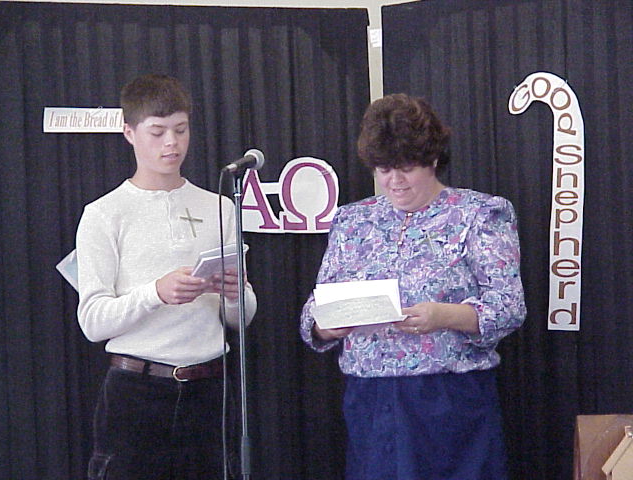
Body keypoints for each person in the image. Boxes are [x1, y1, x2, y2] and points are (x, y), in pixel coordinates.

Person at [300, 93, 526, 480]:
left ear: (433, 159)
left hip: (449, 396)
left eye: (406, 167)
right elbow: (315, 311)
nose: (395, 181)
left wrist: (444, 316)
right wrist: (326, 325)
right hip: (370, 401)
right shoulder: (352, 221)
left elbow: (508, 307)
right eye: (384, 169)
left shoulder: (479, 214)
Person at [76, 73, 257, 480]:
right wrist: (156, 292)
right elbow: (92, 321)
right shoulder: (104, 214)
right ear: (129, 133)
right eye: (157, 132)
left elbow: (240, 319)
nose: (171, 143)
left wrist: (234, 295)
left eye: (181, 129)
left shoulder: (220, 208)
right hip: (136, 391)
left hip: (209, 387)